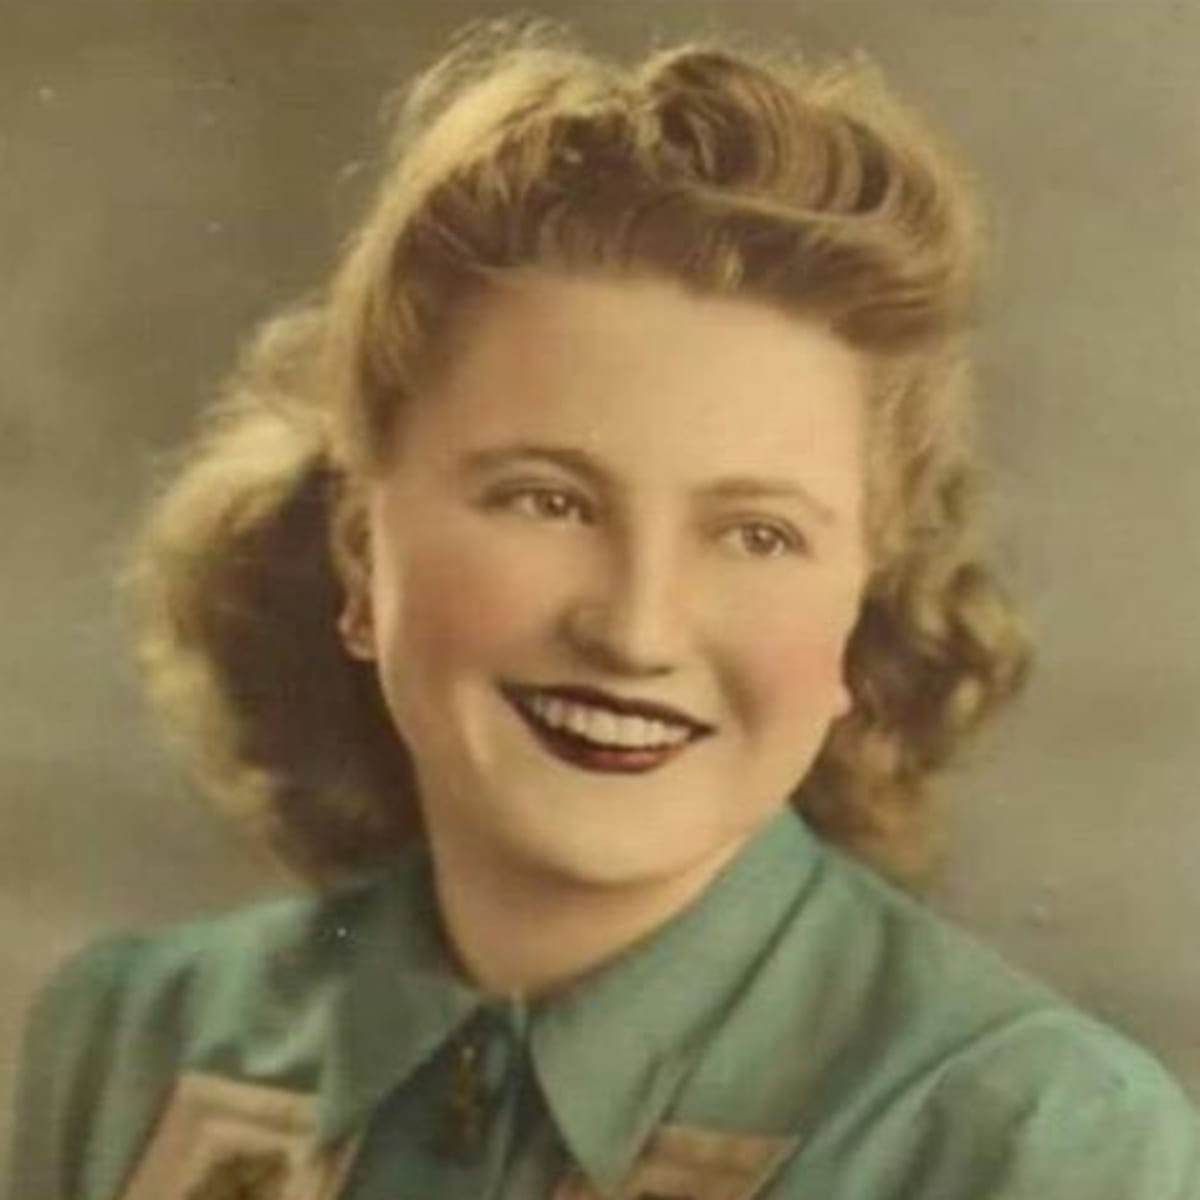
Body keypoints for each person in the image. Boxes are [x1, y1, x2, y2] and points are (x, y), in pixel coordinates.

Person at [6, 20, 1199, 1200]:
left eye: (758, 534)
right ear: (361, 548)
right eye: (549, 501)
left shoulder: (1031, 1141)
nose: (637, 630)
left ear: (862, 601)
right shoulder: (133, 1043)